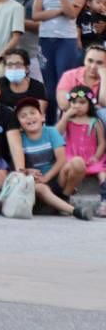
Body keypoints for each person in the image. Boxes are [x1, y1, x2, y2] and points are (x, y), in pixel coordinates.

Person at [14, 97, 94, 220]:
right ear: (19, 122)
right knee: (40, 188)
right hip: (37, 182)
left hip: (56, 177)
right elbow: (19, 166)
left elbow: (61, 159)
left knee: (78, 162)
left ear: (42, 117)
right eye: (23, 116)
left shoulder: (51, 132)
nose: (29, 117)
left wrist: (47, 177)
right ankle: (74, 211)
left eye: (33, 113)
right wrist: (28, 171)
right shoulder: (20, 138)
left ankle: (64, 198)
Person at [34, 0, 85, 122]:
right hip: (45, 40)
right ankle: (49, 124)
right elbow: (36, 15)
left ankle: (65, 123)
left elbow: (71, 14)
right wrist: (58, 10)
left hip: (66, 41)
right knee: (49, 86)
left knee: (64, 83)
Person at [55, 85, 106, 216]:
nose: (77, 105)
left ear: (90, 104)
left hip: (91, 158)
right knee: (67, 168)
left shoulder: (95, 121)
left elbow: (102, 143)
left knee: (103, 174)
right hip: (72, 157)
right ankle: (66, 194)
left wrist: (97, 156)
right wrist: (66, 115)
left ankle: (104, 201)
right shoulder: (69, 120)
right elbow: (57, 133)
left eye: (82, 102)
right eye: (74, 102)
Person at [54, 45, 106, 122]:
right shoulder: (70, 75)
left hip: (98, 121)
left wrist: (104, 77)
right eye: (90, 61)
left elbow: (104, 104)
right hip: (72, 117)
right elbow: (63, 104)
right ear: (84, 60)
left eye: (99, 63)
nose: (93, 66)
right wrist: (92, 107)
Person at [11, 0, 43, 81]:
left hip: (33, 55)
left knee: (37, 87)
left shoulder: (38, 0)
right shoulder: (11, 1)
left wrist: (18, 22)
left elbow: (43, 25)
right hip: (13, 57)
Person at [0, 48, 48, 113]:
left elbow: (40, 114)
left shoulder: (37, 87)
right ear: (4, 67)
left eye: (18, 65)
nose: (14, 68)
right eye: (10, 65)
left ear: (26, 68)